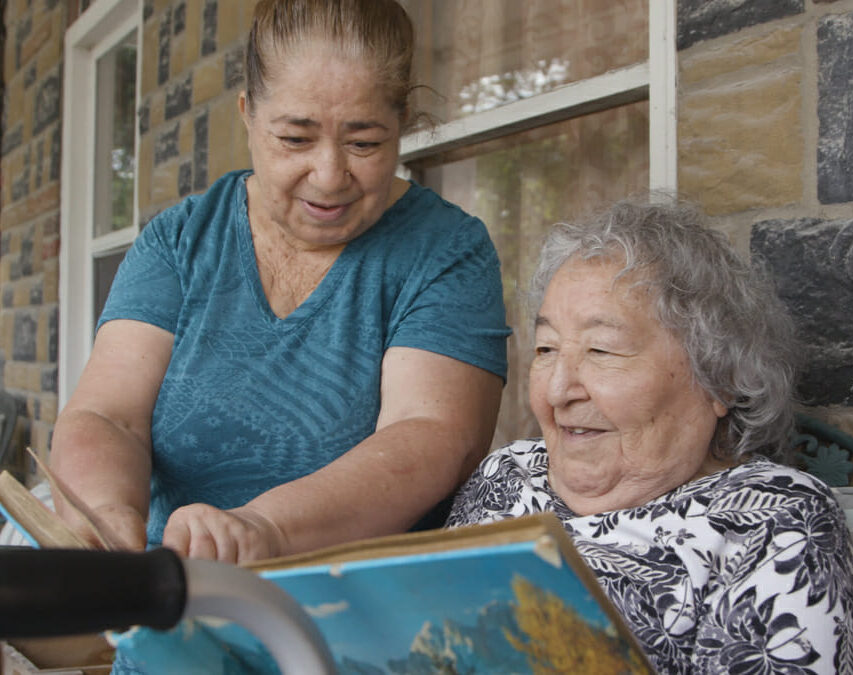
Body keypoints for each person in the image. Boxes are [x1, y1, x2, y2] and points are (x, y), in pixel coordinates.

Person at [50, 0, 510, 566]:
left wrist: (264, 528)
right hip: (167, 587)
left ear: (401, 126)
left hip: (351, 607)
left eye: (364, 143)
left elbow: (432, 436)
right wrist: (106, 516)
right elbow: (107, 415)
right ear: (248, 113)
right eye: (295, 139)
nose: (328, 175)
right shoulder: (180, 240)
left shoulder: (445, 251)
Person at [446, 197, 853, 673]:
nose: (558, 390)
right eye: (546, 348)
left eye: (602, 350)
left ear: (718, 376)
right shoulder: (509, 472)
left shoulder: (773, 523)